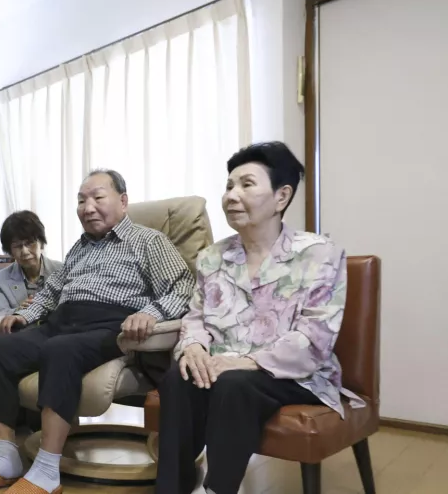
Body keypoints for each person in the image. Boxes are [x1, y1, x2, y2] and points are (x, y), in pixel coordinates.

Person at [0, 170, 195, 494]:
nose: (87, 207)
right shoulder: (80, 247)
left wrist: (148, 313)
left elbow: (183, 288)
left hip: (111, 326)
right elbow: (52, 291)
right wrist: (26, 314)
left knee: (61, 349)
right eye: (81, 200)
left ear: (123, 201)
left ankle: (46, 472)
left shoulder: (149, 241)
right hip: (61, 322)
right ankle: (5, 458)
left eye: (97, 197)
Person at [155, 142, 364, 494]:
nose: (231, 195)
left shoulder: (319, 254)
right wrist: (193, 348)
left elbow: (313, 341)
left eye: (246, 185)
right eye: (228, 186)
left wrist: (242, 362)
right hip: (225, 371)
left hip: (297, 375)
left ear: (281, 197)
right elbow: (195, 317)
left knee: (234, 384)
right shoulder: (212, 256)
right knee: (179, 377)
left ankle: (217, 489)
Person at [0, 210, 63, 317]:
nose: (25, 251)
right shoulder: (0, 279)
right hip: (21, 332)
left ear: (42, 244)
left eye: (30, 243)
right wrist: (19, 311)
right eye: (17, 246)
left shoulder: (62, 270)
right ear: (10, 251)